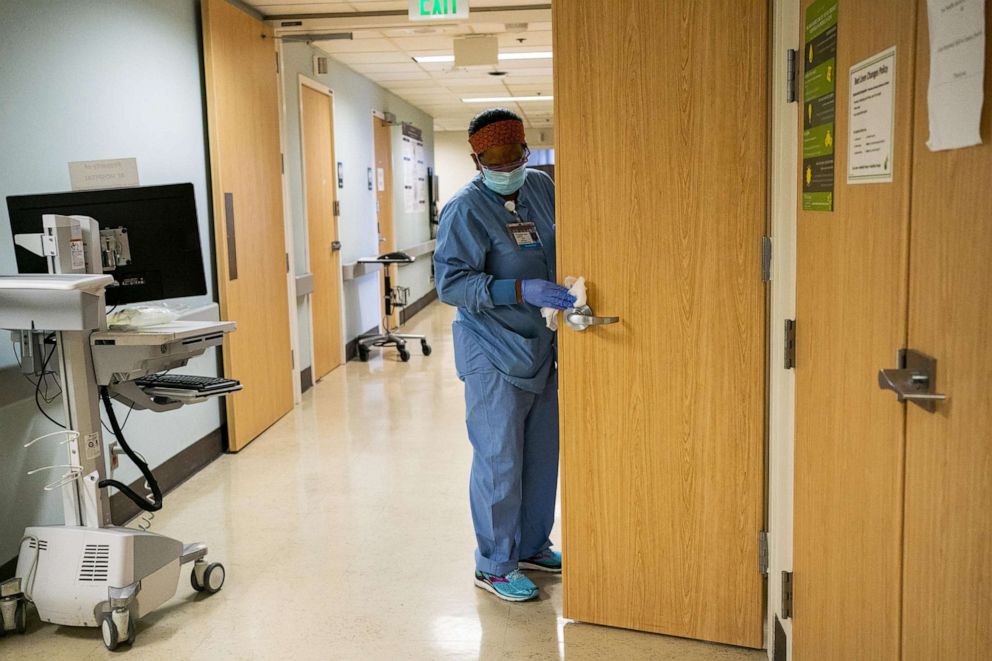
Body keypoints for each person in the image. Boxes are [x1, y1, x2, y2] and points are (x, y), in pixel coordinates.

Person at [434, 108, 575, 602]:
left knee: (540, 454)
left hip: (540, 342)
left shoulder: (540, 187)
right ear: (476, 160)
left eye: (511, 156)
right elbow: (451, 283)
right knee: (498, 458)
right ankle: (494, 563)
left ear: (525, 151)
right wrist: (519, 288)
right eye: (491, 161)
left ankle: (532, 544)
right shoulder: (465, 209)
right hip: (491, 349)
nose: (504, 167)